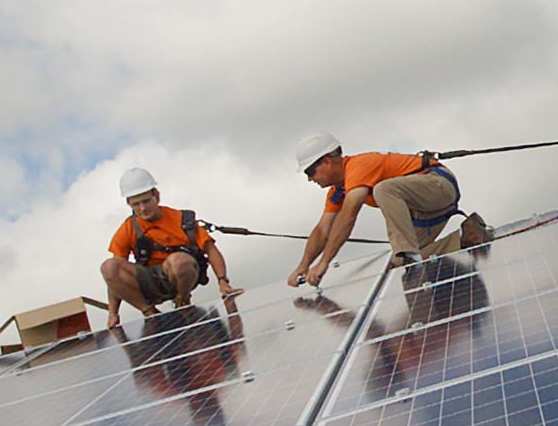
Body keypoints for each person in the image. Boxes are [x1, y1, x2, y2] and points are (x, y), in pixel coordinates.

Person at [289, 132, 491, 285]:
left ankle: (409, 254)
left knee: (383, 189)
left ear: (326, 161)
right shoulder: (338, 191)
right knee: (399, 260)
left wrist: (324, 262)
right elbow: (322, 229)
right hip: (425, 209)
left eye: (310, 172)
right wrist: (303, 266)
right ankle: (466, 236)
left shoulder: (358, 166)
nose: (310, 179)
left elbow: (349, 215)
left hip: (437, 184)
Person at [102, 167, 242, 326]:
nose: (142, 208)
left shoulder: (181, 219)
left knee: (179, 261)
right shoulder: (128, 227)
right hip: (150, 280)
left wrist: (223, 281)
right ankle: (149, 312)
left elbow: (211, 250)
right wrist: (113, 313)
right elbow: (113, 276)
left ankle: (182, 300)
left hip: (181, 274)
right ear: (129, 204)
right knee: (108, 266)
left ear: (156, 196)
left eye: (146, 201)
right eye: (136, 204)